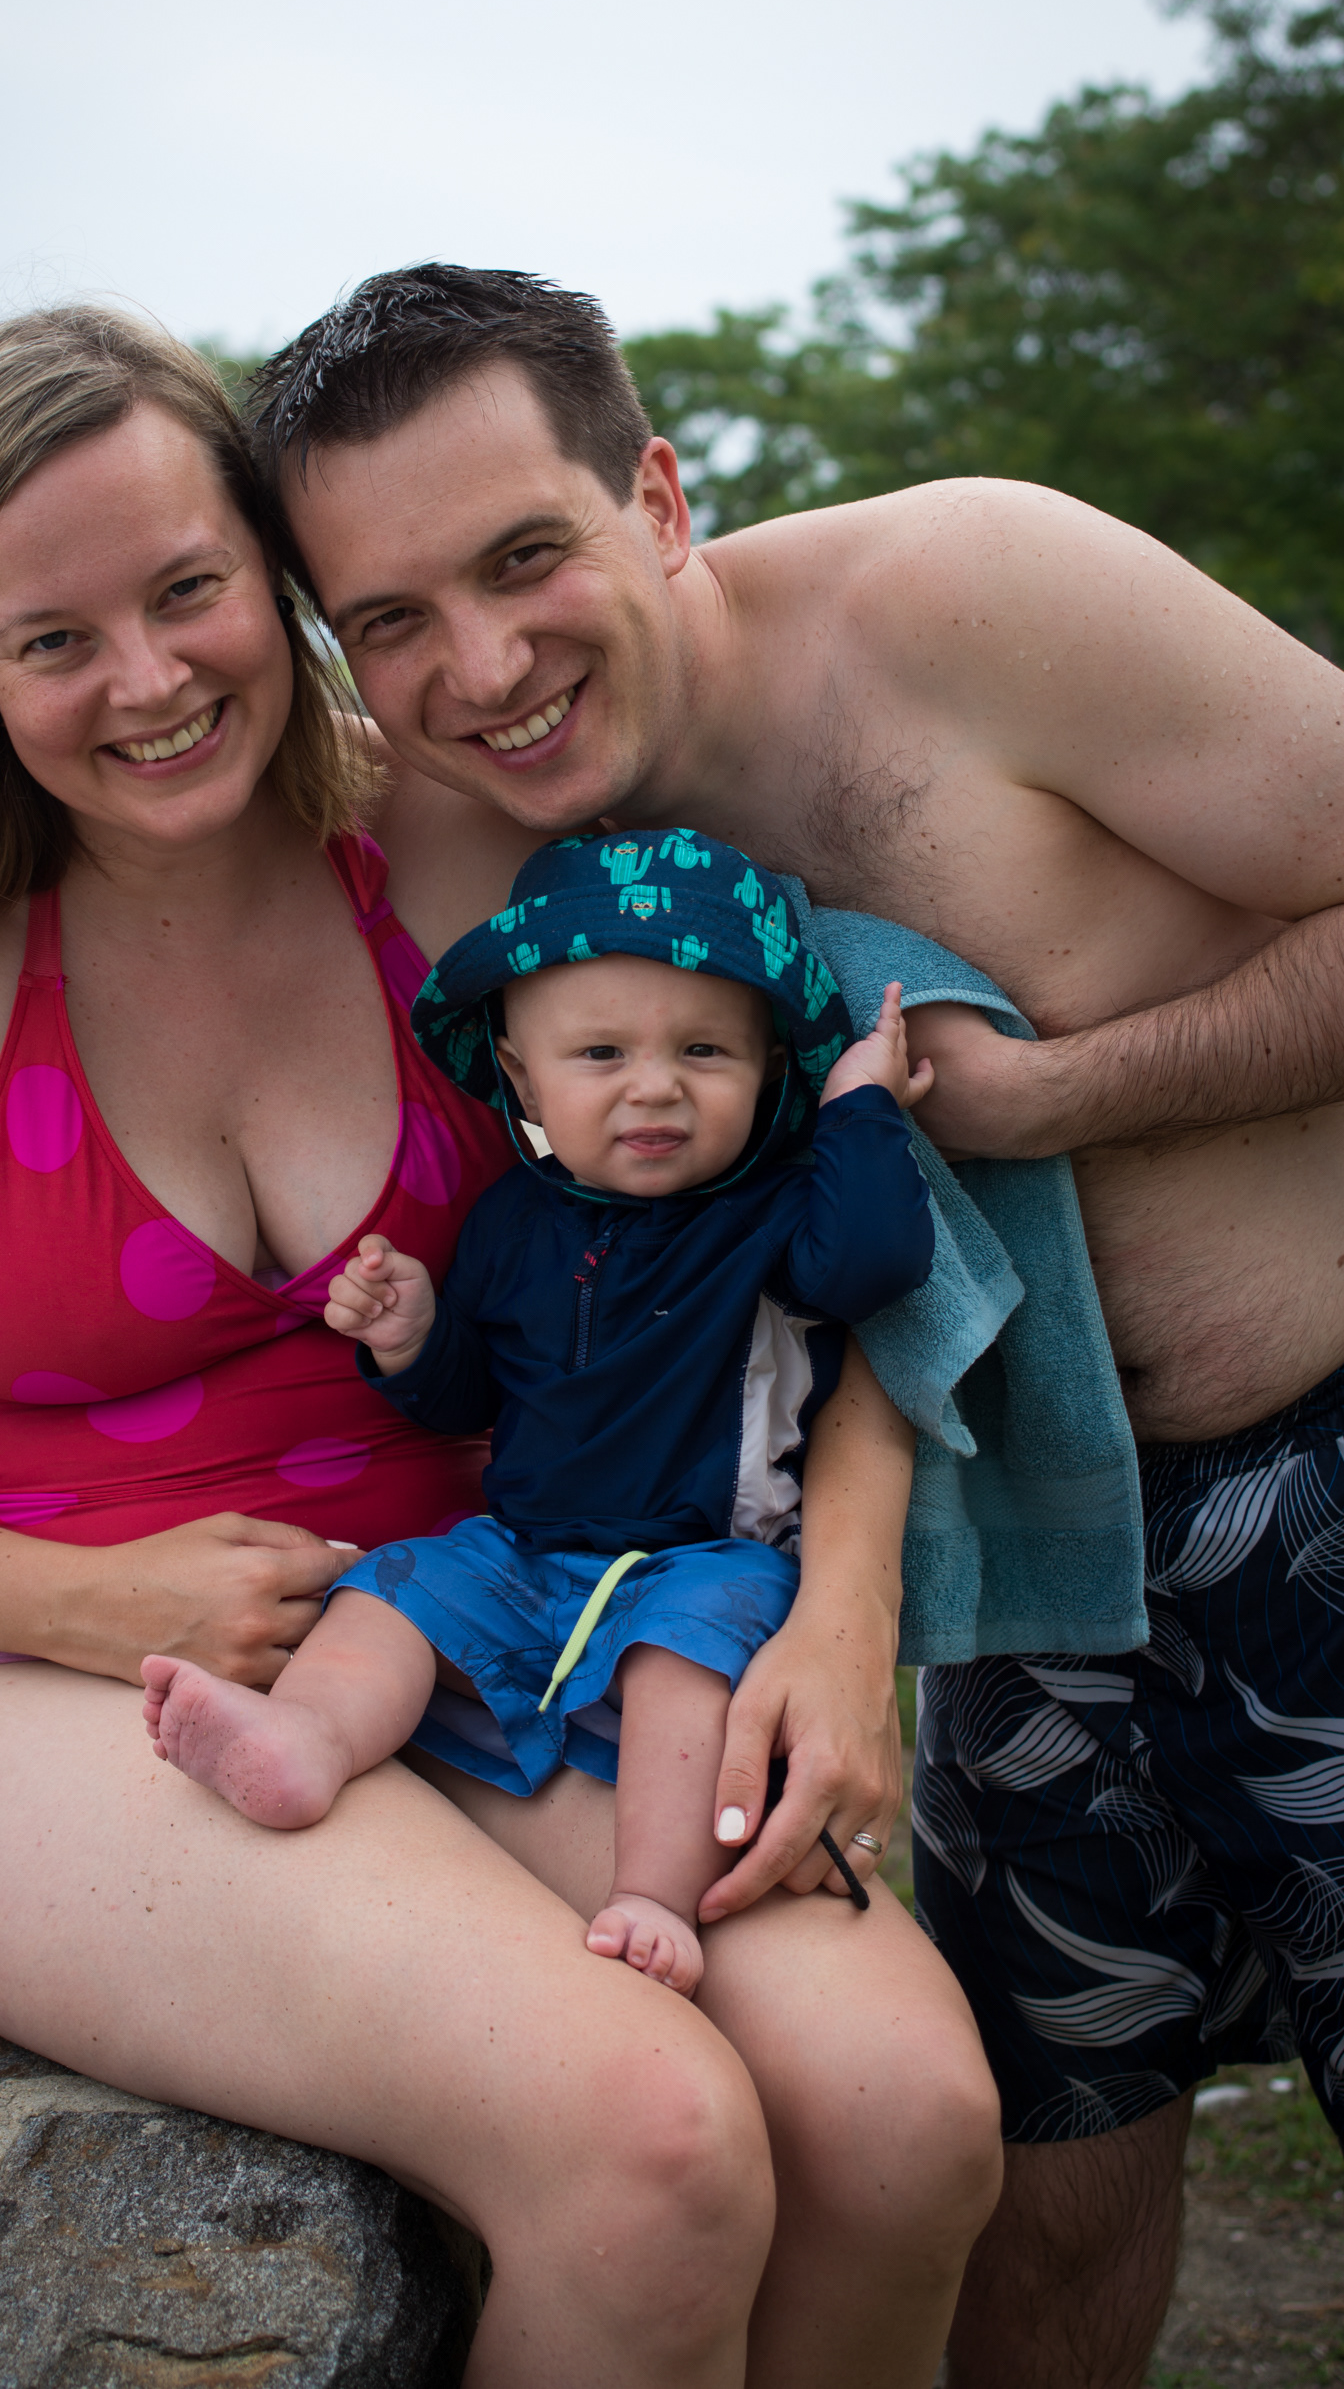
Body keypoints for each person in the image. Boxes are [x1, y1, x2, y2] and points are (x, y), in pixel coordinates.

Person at [0, 302, 1003, 2389]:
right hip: (31, 1677)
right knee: (649, 2145)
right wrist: (96, 1600)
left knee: (903, 2117)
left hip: (519, 1608)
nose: (147, 680)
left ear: (277, 578)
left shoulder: (462, 850)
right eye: (52, 640)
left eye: (189, 590)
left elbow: (792, 1252)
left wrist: (842, 1615)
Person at [215, 260, 1344, 2389]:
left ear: (656, 495)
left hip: (1322, 1478)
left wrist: (1065, 1094)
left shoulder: (973, 595)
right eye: (392, 618)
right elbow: (189, 798)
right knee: (1055, 2193)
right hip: (1024, 1575)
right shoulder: (508, 809)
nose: (484, 663)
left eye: (525, 556)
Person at [144, 830, 935, 1997]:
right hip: (525, 1547)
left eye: (705, 1050)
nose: (655, 1086)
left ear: (772, 1067)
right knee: (391, 1590)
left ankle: (652, 1892)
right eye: (602, 1052)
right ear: (522, 1077)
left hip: (699, 1558)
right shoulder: (513, 1220)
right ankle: (303, 1740)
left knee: (686, 1666)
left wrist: (860, 1106)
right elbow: (469, 1398)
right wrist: (413, 1337)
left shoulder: (773, 1218)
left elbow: (878, 1261)